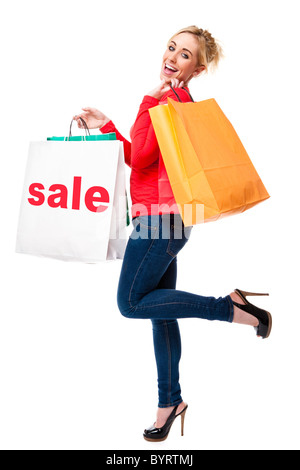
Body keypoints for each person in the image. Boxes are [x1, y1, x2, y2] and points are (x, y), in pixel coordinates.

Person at [74, 26, 272, 443]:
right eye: (171, 47)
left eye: (185, 55)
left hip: (159, 221)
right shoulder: (171, 101)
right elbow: (141, 161)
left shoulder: (169, 101)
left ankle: (231, 308)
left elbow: (142, 155)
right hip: (166, 219)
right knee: (159, 312)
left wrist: (148, 101)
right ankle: (170, 402)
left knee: (130, 304)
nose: (172, 57)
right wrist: (107, 124)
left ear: (196, 69)